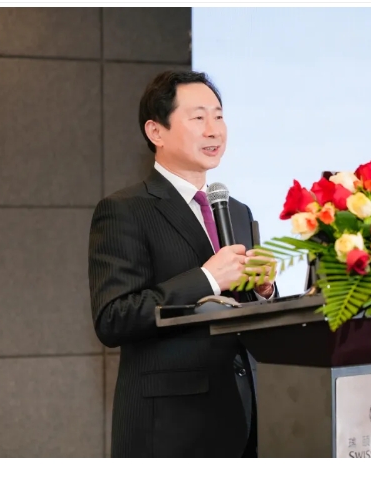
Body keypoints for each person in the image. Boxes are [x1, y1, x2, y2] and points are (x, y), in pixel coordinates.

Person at [88, 70, 276, 458]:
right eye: (198, 118)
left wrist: (264, 291)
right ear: (156, 131)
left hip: (245, 419)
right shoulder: (125, 210)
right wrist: (207, 279)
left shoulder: (238, 212)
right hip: (169, 429)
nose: (214, 130)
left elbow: (249, 319)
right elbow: (114, 318)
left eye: (219, 116)